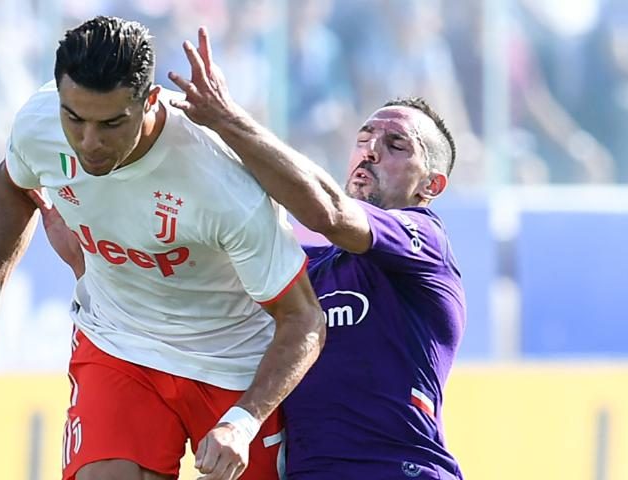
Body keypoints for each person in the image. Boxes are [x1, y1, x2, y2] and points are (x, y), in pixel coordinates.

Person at [0, 17, 327, 480]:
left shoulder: (221, 184)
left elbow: (303, 319)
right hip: (119, 344)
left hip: (234, 364)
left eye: (110, 124)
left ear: (149, 100)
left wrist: (243, 423)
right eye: (74, 118)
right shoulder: (39, 123)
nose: (89, 142)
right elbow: (13, 185)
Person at [169, 28, 467, 479]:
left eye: (396, 145)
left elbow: (328, 211)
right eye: (364, 137)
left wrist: (227, 119)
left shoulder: (426, 244)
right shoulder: (304, 263)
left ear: (432, 185)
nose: (370, 151)